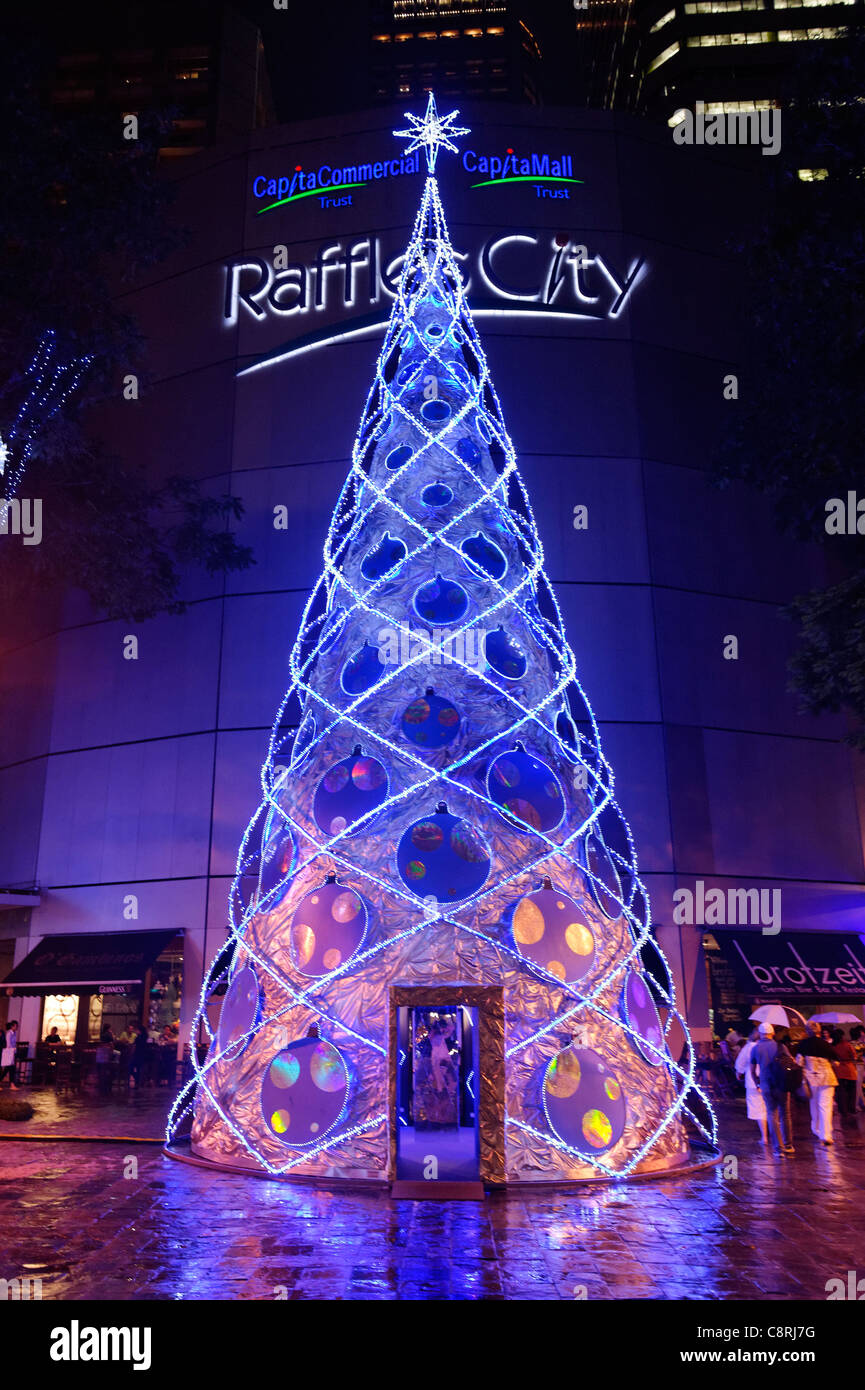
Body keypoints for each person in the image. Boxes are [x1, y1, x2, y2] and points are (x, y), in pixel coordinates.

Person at [750, 1022, 795, 1154]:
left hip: (766, 1085)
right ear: (772, 1033)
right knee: (785, 1114)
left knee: (771, 1114)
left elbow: (752, 1070)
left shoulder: (755, 1048)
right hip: (781, 1084)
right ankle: (788, 1145)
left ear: (760, 1033)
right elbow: (791, 1062)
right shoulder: (780, 1046)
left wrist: (757, 1083)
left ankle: (778, 1148)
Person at [796, 1020, 839, 1145]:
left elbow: (799, 1063)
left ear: (807, 1031)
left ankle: (816, 1129)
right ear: (819, 1031)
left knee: (814, 1104)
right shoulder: (826, 1045)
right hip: (827, 1078)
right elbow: (836, 1063)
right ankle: (826, 1135)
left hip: (811, 1079)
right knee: (825, 1106)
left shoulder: (803, 1044)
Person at [735, 1026, 768, 1143]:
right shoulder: (772, 1046)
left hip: (754, 1082)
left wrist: (739, 1071)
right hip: (769, 1080)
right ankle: (777, 1135)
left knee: (758, 1108)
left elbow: (741, 1061)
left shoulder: (750, 1047)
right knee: (771, 1108)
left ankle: (764, 1136)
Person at [831, 1027, 858, 1120]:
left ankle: (843, 1110)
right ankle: (852, 1108)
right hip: (849, 1070)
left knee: (841, 1092)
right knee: (852, 1090)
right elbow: (854, 1056)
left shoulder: (832, 1046)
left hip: (838, 1070)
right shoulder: (847, 1045)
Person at [0, 1020, 20, 1089]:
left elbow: (14, 1043)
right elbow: (8, 1044)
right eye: (15, 1026)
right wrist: (12, 1050)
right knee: (10, 1068)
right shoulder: (9, 1033)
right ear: (12, 1026)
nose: (16, 1027)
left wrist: (15, 1051)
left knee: (9, 1069)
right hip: (9, 1053)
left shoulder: (14, 1033)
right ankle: (12, 1084)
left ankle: (12, 1084)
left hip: (12, 1052)